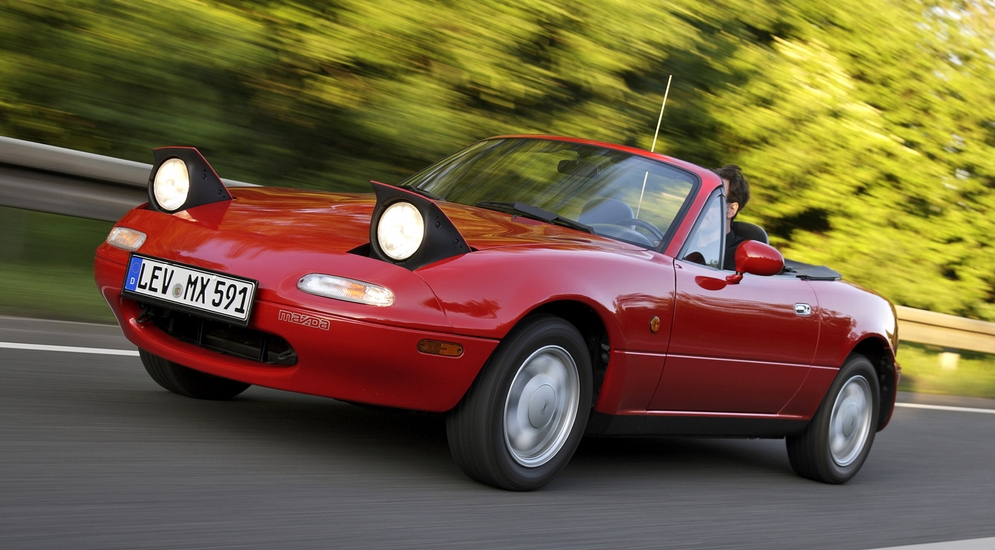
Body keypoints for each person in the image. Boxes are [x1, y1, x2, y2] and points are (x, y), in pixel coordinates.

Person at [714, 165, 751, 271]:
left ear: (731, 209)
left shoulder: (738, 258)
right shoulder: (680, 239)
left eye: (714, 199)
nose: (702, 204)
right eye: (702, 197)